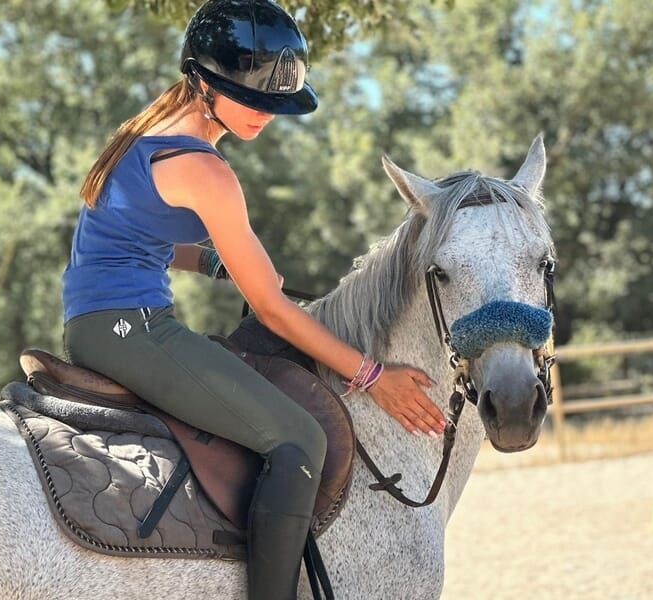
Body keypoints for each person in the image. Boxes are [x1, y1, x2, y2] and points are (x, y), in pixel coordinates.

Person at [61, 0, 445, 598]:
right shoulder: (205, 169)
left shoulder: (140, 138)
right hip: (134, 330)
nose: (269, 116)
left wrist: (211, 261)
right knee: (299, 440)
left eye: (279, 104)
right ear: (207, 83)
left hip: (96, 323)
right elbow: (271, 309)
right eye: (258, 100)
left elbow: (127, 241)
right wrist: (371, 374)